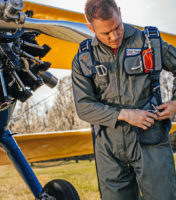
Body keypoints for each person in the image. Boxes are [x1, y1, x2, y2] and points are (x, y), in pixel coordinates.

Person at [71, 0, 176, 199]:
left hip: (150, 141)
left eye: (117, 27)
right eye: (105, 33)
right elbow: (83, 106)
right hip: (109, 150)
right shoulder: (84, 58)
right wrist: (125, 114)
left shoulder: (148, 42)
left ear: (119, 12)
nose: (114, 36)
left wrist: (175, 103)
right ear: (90, 28)